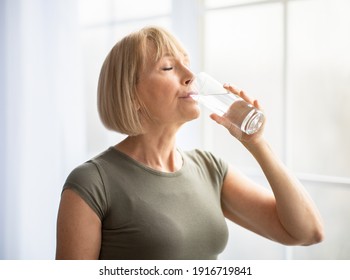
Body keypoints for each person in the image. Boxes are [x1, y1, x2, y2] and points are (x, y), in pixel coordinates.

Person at [55, 26, 324, 260]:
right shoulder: (92, 182)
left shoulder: (209, 169)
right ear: (132, 95)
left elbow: (307, 232)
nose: (190, 76)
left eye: (187, 63)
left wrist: (257, 144)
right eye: (169, 67)